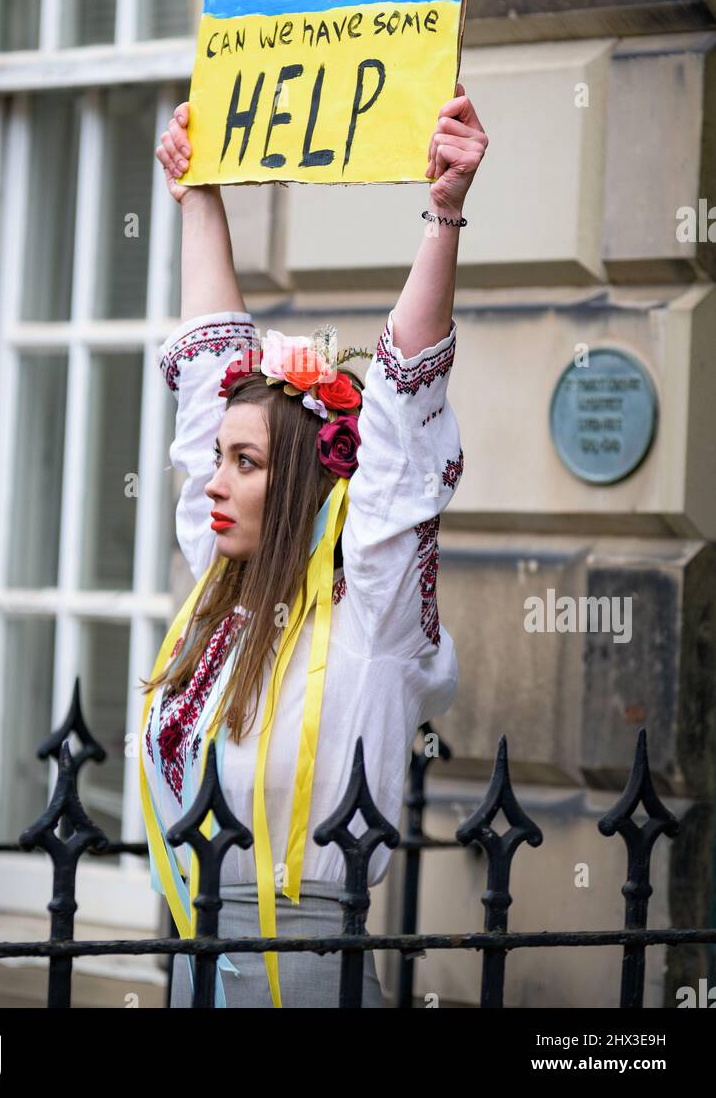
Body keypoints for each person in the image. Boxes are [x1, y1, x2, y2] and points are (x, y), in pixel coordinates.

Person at [139, 85, 489, 1008]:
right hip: (187, 968)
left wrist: (443, 213)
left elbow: (404, 417)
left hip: (301, 984)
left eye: (243, 463)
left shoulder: (368, 618)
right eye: (217, 459)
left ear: (296, 485)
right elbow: (211, 375)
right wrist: (200, 192)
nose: (212, 481)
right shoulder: (223, 599)